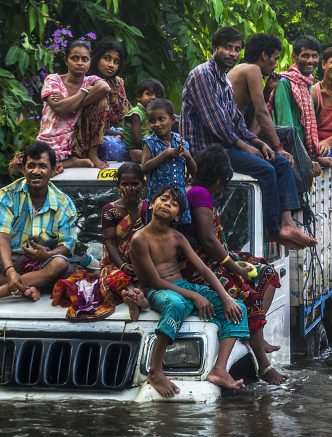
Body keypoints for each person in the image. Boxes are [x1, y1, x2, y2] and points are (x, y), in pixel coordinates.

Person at [181, 27, 316, 249]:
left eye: (236, 49)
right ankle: (274, 231)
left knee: (280, 163)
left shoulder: (223, 79)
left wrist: (259, 142)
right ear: (214, 48)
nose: (232, 54)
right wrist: (245, 146)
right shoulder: (202, 75)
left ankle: (287, 223)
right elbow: (217, 123)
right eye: (227, 48)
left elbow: (235, 120)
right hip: (207, 151)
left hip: (225, 145)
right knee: (266, 169)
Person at [180, 145, 288, 384]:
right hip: (200, 267)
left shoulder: (193, 190)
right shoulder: (199, 194)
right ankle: (263, 363)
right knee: (249, 295)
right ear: (218, 178)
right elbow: (208, 240)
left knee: (267, 271)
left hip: (212, 258)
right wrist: (233, 266)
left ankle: (252, 334)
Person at [129, 185, 250, 398]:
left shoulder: (176, 237)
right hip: (158, 290)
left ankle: (219, 369)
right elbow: (155, 281)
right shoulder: (140, 238)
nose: (167, 204)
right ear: (152, 204)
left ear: (178, 215)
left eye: (174, 204)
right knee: (176, 305)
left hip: (182, 286)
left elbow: (203, 269)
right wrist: (195, 296)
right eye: (163, 199)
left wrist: (225, 297)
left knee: (238, 307)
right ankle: (155, 370)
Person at [8, 40, 110, 177]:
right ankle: (71, 162)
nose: (80, 63)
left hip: (77, 141)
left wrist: (70, 105)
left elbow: (105, 88)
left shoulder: (91, 80)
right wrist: (83, 92)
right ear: (66, 60)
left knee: (102, 100)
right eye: (75, 58)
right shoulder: (53, 80)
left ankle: (90, 154)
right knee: (15, 166)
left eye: (84, 59)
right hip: (51, 139)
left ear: (90, 61)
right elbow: (59, 109)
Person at [0, 141, 76, 300]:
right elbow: (3, 237)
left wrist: (47, 254)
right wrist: (10, 271)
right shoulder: (8, 195)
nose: (36, 171)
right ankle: (32, 285)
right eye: (31, 166)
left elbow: (67, 244)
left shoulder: (64, 203)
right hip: (8, 261)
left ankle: (5, 290)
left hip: (42, 263)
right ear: (23, 168)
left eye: (42, 166)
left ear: (53, 171)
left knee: (60, 264)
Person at [228, 34, 294, 165]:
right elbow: (261, 113)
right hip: (232, 137)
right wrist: (279, 148)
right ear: (264, 55)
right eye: (275, 59)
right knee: (282, 163)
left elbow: (254, 108)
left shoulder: (241, 68)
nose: (276, 65)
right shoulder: (253, 69)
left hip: (238, 133)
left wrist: (268, 89)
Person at [270, 35, 330, 174]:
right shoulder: (285, 82)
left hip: (301, 153)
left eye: (314, 56)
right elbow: (287, 129)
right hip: (290, 155)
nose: (310, 61)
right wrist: (307, 161)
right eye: (305, 56)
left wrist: (316, 158)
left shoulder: (307, 84)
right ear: (294, 57)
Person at [100, 162, 150, 321]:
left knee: (152, 279)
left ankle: (139, 298)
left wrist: (133, 211)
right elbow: (110, 242)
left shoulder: (149, 208)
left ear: (143, 185)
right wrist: (122, 264)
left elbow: (145, 239)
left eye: (135, 184)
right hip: (117, 263)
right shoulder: (110, 210)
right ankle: (134, 298)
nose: (130, 188)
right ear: (118, 186)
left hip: (143, 261)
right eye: (125, 184)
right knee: (118, 278)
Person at [71, 37, 131, 168]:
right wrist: (115, 134)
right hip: (83, 137)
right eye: (107, 58)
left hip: (113, 134)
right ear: (97, 58)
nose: (111, 65)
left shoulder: (118, 82)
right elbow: (83, 120)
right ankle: (93, 153)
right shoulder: (85, 80)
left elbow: (124, 115)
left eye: (116, 61)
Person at [142, 99, 197, 225]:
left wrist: (188, 157)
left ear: (172, 119)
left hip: (179, 200)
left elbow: (194, 172)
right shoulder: (150, 142)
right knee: (157, 233)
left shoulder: (181, 142)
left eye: (161, 119)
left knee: (178, 232)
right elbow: (144, 167)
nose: (157, 124)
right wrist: (166, 153)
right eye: (152, 121)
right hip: (158, 200)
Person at [123, 78, 165, 163]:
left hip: (148, 146)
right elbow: (137, 140)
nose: (153, 98)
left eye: (158, 96)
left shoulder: (152, 113)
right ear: (139, 97)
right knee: (154, 157)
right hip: (135, 149)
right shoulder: (136, 113)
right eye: (148, 94)